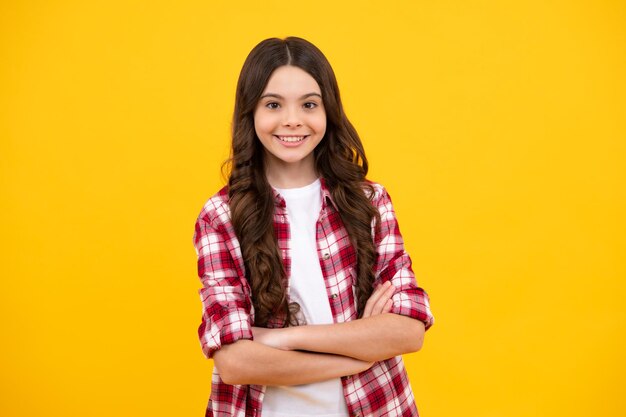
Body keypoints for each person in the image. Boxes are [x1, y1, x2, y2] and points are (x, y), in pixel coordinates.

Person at [193, 36, 434, 417]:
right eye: (273, 104)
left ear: (328, 111)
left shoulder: (370, 202)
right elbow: (237, 363)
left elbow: (408, 330)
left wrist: (282, 338)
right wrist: (359, 354)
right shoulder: (221, 216)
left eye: (309, 104)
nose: (292, 120)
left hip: (376, 406)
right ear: (250, 112)